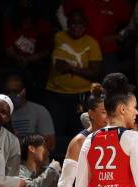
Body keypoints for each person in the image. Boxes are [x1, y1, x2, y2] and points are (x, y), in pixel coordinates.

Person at [46, 8, 103, 159]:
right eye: (73, 23)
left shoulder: (92, 43)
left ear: (85, 25)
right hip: (56, 93)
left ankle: (81, 161)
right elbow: (58, 65)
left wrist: (71, 68)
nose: (76, 26)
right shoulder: (59, 37)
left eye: (80, 24)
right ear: (68, 24)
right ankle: (56, 163)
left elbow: (95, 72)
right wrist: (82, 69)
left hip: (81, 95)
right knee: (56, 132)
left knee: (79, 131)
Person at [57, 0, 133, 74]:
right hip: (83, 51)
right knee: (83, 83)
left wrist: (119, 35)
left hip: (107, 52)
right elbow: (61, 10)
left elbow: (132, 22)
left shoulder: (120, 3)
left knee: (110, 83)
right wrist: (72, 33)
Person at [5, 73, 55, 150]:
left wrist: (22, 144)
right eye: (8, 92)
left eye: (15, 91)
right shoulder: (1, 113)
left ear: (24, 91)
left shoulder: (39, 111)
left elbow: (50, 143)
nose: (11, 95)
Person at [3, 0, 52, 74]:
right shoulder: (9, 24)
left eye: (28, 4)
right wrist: (18, 58)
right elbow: (8, 49)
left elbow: (45, 52)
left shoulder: (44, 25)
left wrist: (27, 60)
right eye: (23, 5)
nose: (25, 7)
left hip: (37, 65)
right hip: (14, 63)